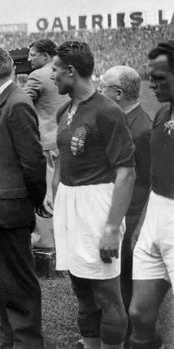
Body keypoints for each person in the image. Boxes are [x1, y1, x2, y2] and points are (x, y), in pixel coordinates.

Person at [52, 41, 135, 349]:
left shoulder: (108, 112)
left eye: (55, 70)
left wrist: (112, 228)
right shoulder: (66, 108)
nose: (52, 76)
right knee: (82, 291)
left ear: (71, 71)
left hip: (97, 205)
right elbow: (62, 156)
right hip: (69, 203)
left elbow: (127, 172)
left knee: (107, 297)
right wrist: (56, 191)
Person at [0, 47, 47, 349]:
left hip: (12, 206)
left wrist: (35, 199)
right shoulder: (1, 101)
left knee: (18, 280)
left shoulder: (17, 103)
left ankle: (27, 342)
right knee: (0, 277)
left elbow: (33, 160)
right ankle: (4, 336)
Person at [128, 40, 174, 349]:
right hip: (156, 215)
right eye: (150, 76)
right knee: (139, 314)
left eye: (160, 78)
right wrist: (145, 222)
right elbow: (154, 174)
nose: (151, 84)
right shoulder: (161, 114)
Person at [99, 65, 152, 331]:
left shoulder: (142, 129)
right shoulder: (119, 121)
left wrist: (139, 225)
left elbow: (150, 182)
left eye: (103, 86)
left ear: (118, 93)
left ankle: (128, 336)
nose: (99, 91)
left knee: (126, 282)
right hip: (113, 211)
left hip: (130, 216)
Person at [24, 39, 69, 249]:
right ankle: (65, 242)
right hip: (67, 139)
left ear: (45, 56)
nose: (29, 58)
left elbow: (20, 105)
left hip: (46, 142)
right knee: (64, 194)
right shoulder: (68, 71)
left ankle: (45, 247)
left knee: (45, 195)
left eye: (33, 54)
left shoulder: (38, 76)